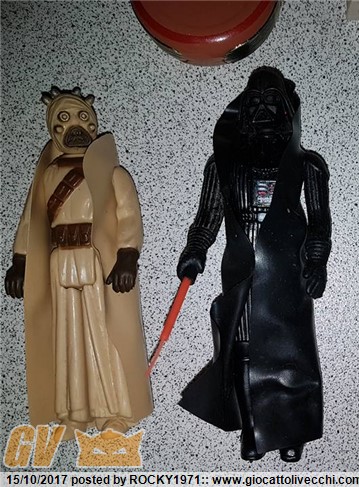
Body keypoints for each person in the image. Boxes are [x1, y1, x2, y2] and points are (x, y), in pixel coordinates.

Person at [176, 67, 331, 462]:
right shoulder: (222, 166)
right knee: (242, 350)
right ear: (242, 112)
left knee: (292, 349)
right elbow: (207, 217)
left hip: (288, 271)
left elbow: (319, 222)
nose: (263, 110)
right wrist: (196, 250)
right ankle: (253, 429)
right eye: (255, 103)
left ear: (287, 112)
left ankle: (292, 428)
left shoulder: (307, 166)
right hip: (241, 268)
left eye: (272, 103)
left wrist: (316, 262)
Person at [4, 86, 153, 440]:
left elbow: (129, 216)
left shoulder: (112, 173)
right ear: (52, 127)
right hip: (59, 265)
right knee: (67, 340)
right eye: (64, 118)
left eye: (82, 117)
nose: (75, 125)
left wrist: (127, 255)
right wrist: (21, 261)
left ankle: (114, 411)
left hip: (98, 265)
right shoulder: (47, 176)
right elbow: (31, 222)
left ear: (93, 123)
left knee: (105, 337)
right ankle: (74, 412)